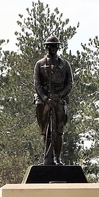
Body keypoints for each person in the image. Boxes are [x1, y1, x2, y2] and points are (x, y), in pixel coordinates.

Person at [34, 35, 73, 165]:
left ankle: (57, 157)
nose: (53, 48)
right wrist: (45, 98)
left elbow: (69, 84)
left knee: (59, 131)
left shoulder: (65, 64)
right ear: (46, 47)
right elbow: (37, 84)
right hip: (44, 101)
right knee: (45, 130)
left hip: (59, 100)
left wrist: (59, 96)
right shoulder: (40, 64)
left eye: (55, 46)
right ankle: (47, 157)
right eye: (50, 46)